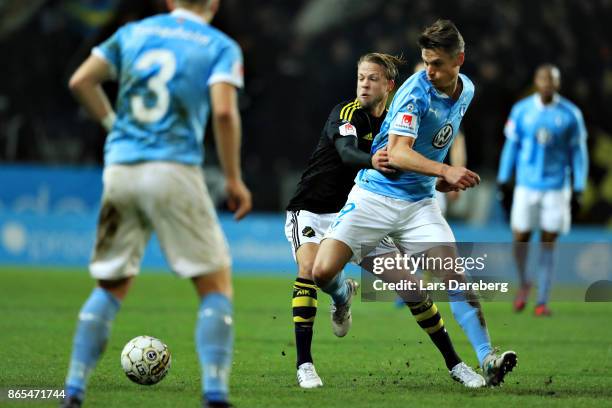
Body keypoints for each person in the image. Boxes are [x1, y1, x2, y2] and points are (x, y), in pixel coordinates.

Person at [61, 1, 251, 407]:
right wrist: (233, 178)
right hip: (173, 168)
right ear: (213, 3)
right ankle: (215, 394)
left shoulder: (132, 33)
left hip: (121, 167)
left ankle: (73, 388)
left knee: (111, 284)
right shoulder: (220, 45)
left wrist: (114, 125)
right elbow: (223, 112)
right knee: (215, 283)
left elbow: (81, 81)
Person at [312, 20, 517, 386]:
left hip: (419, 205)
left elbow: (434, 139)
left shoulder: (466, 90)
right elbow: (398, 152)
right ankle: (343, 295)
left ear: (460, 60)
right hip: (374, 197)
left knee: (454, 275)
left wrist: (434, 177)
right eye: (426, 61)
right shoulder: (414, 93)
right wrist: (446, 170)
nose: (430, 71)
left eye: (437, 63)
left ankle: (487, 358)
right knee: (322, 273)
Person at [285, 53, 484, 389]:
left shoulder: (398, 123)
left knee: (413, 288)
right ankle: (305, 363)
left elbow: (404, 170)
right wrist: (372, 160)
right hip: (314, 211)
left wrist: (438, 181)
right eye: (361, 77)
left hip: (364, 212)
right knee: (311, 271)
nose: (364, 83)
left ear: (390, 85)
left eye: (373, 78)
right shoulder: (346, 114)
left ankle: (456, 364)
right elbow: (348, 154)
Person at [497, 64, 588, 316]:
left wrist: (578, 187)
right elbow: (511, 147)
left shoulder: (571, 115)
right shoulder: (522, 111)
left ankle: (542, 299)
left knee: (549, 241)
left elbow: (578, 154)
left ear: (558, 84)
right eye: (543, 79)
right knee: (520, 238)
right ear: (536, 82)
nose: (547, 83)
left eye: (552, 79)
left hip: (556, 188)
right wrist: (504, 180)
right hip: (526, 186)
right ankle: (525, 281)